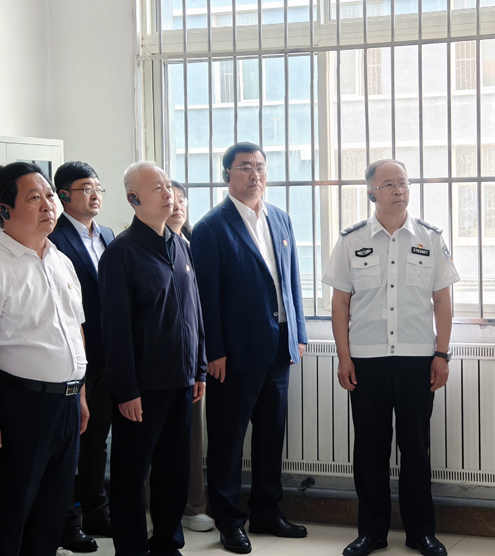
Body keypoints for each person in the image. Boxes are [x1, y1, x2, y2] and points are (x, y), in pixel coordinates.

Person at [322, 160, 459, 556]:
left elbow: (442, 301)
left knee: (416, 449)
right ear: (371, 193)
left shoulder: (430, 238)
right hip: (367, 360)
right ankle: (372, 532)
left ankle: (421, 532)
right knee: (370, 450)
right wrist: (344, 358)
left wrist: (442, 354)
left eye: (403, 183)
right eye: (388, 184)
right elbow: (340, 305)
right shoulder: (351, 240)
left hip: (418, 359)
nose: (399, 190)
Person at [191, 142, 308, 554]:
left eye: (260, 166)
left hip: (278, 346)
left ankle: (266, 511)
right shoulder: (211, 227)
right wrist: (214, 351)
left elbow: (291, 281)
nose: (255, 174)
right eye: (245, 167)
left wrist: (298, 333)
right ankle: (229, 521)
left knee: (271, 435)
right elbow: (205, 298)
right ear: (227, 175)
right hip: (234, 353)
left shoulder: (280, 218)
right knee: (228, 440)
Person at [100, 162, 207, 556]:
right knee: (131, 474)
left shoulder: (180, 245)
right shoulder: (121, 253)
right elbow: (115, 329)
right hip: (142, 387)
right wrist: (126, 389)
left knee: (173, 469)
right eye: (158, 188)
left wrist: (199, 367)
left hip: (182, 379)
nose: (169, 194)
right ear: (133, 199)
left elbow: (194, 311)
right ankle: (131, 548)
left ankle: (166, 542)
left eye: (168, 186)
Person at [0, 162, 89, 556]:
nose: (49, 205)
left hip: (66, 404)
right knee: (9, 513)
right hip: (18, 405)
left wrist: (79, 394)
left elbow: (75, 329)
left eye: (49, 195)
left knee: (51, 513)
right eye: (34, 197)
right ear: (4, 210)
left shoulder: (59, 258)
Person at [49, 161, 116, 553]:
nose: (94, 195)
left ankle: (96, 512)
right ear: (64, 196)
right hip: (73, 354)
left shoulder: (107, 235)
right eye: (86, 188)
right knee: (71, 444)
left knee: (97, 441)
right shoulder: (54, 237)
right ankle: (65, 523)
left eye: (97, 188)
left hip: (108, 354)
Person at [166, 180, 213, 533]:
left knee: (194, 439)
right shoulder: (135, 247)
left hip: (194, 359)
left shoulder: (195, 244)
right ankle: (161, 508)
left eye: (182, 199)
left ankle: (193, 505)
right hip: (158, 361)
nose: (177, 205)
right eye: (170, 198)